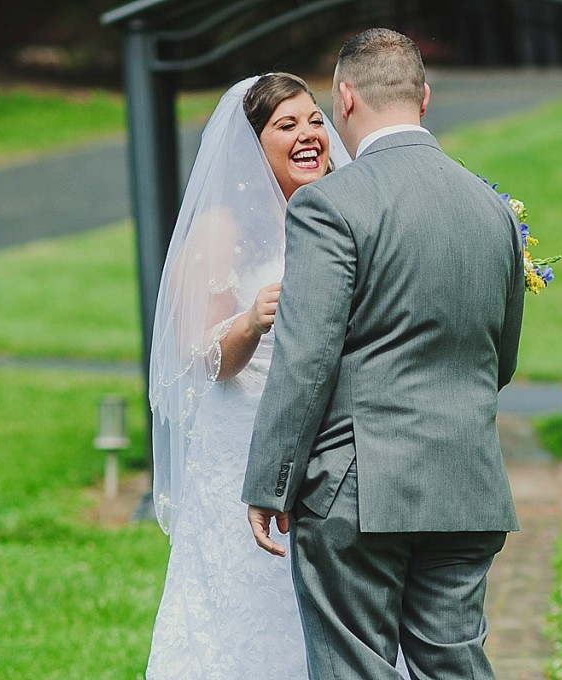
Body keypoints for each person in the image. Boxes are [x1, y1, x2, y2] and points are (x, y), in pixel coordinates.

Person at [244, 28, 525, 680]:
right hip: (467, 483)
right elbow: (499, 359)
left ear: (344, 98)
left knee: (354, 668)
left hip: (358, 489)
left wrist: (270, 480)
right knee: (454, 666)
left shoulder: (329, 204)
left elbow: (306, 360)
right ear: (424, 97)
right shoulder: (493, 210)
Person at [145, 72, 350, 679]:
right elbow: (205, 358)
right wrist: (250, 321)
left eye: (315, 119)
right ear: (252, 144)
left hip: (327, 444)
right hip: (243, 446)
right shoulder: (220, 231)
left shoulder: (341, 214)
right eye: (286, 125)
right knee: (246, 600)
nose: (311, 134)